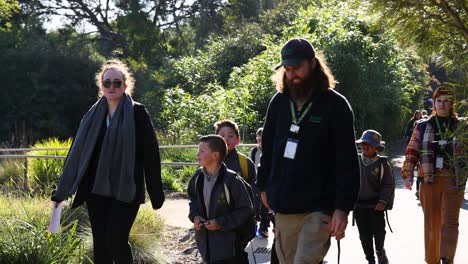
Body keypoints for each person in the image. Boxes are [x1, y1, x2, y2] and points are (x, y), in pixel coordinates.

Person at [256, 38, 360, 263]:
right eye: (287, 69)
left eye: (297, 68)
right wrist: (263, 186)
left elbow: (347, 161)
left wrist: (343, 207)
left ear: (313, 64)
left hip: (320, 207)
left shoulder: (336, 105)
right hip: (284, 206)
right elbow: (268, 148)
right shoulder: (279, 103)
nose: (292, 74)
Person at [51, 59, 165, 264]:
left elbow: (151, 154)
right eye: (107, 83)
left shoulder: (138, 113)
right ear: (101, 86)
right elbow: (76, 152)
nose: (112, 87)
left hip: (126, 188)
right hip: (96, 190)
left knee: (116, 240)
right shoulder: (92, 115)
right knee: (101, 246)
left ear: (125, 85)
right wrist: (62, 190)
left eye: (117, 83)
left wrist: (156, 193)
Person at [401, 87, 466, 264]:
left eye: (446, 100)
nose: (442, 104)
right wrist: (407, 174)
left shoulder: (462, 125)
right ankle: (432, 260)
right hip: (429, 179)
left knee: (450, 223)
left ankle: (447, 259)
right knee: (432, 224)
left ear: (452, 103)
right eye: (439, 100)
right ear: (434, 103)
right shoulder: (422, 125)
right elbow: (412, 150)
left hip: (453, 180)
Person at [188, 135, 253, 263]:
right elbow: (193, 200)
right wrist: (195, 216)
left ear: (215, 155)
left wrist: (220, 223)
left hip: (230, 249)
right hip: (206, 246)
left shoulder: (232, 180)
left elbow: (246, 210)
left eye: (202, 151)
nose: (197, 154)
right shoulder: (197, 177)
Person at [355, 130, 394, 264]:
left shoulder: (382, 164)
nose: (365, 147)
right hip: (360, 206)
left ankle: (380, 250)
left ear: (376, 147)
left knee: (379, 233)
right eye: (363, 144)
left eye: (369, 144)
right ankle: (370, 259)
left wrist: (383, 201)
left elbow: (388, 185)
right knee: (364, 236)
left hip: (376, 206)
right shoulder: (355, 161)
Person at [249, 127, 271, 238]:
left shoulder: (271, 151)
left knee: (265, 206)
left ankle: (264, 227)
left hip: (268, 182)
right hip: (256, 181)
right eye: (258, 140)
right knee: (255, 205)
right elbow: (251, 166)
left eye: (262, 140)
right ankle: (255, 225)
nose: (259, 142)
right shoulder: (254, 151)